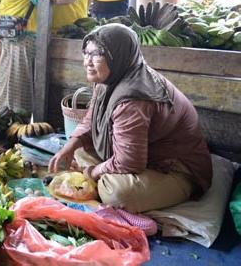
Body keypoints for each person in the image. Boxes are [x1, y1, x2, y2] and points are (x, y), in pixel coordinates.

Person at [49, 24, 212, 213]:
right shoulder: (114, 76)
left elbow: (130, 162)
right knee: (77, 151)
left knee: (117, 194)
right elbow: (91, 117)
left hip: (175, 169)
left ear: (118, 55)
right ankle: (101, 174)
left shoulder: (132, 100)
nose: (87, 61)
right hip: (142, 154)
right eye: (86, 53)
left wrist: (92, 172)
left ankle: (104, 179)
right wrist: (71, 145)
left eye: (97, 54)